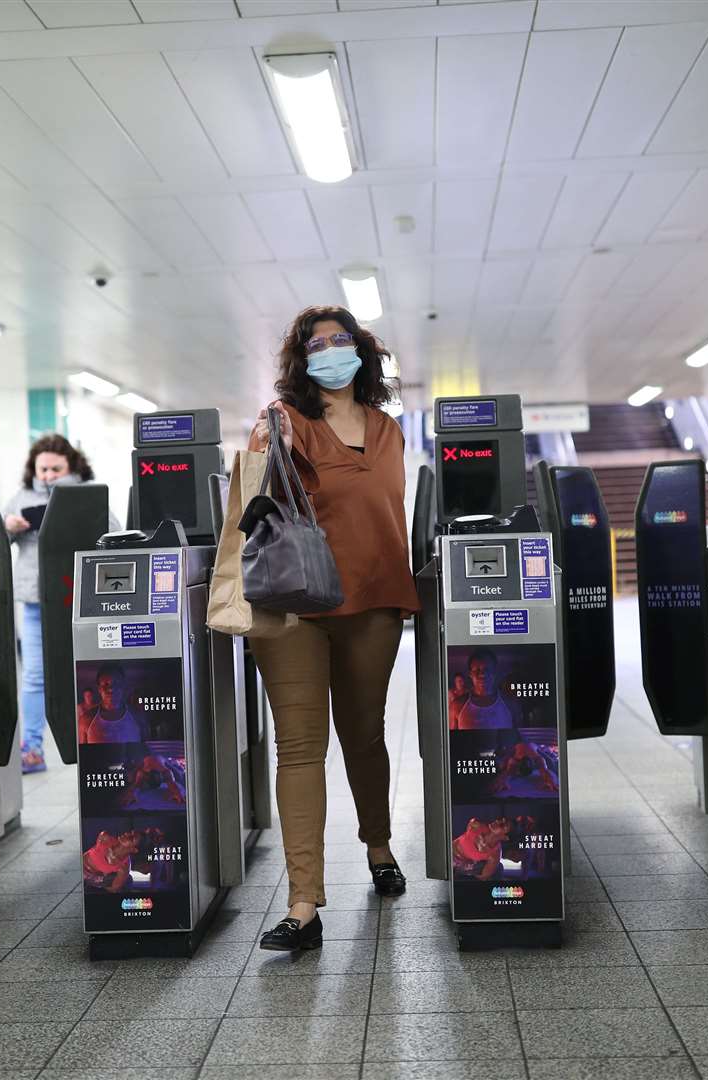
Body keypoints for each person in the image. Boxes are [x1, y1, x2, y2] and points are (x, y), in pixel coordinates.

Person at [248, 306, 421, 953]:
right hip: (291, 602)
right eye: (315, 344)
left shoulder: (388, 431)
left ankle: (378, 846)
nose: (329, 351)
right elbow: (254, 495)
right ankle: (303, 904)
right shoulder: (283, 421)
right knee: (299, 747)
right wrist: (269, 453)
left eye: (339, 340)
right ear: (301, 359)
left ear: (361, 351)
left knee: (364, 733)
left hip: (373, 601)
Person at [3, 434, 114, 773]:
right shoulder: (21, 497)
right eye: (43, 468)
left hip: (79, 601)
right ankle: (32, 748)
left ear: (71, 467)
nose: (48, 474)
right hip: (38, 602)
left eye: (56, 468)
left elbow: (113, 533)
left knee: (90, 675)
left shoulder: (87, 494)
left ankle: (100, 745)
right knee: (36, 675)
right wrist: (9, 526)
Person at [449, 649, 519, 730]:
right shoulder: (457, 706)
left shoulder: (511, 704)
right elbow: (451, 740)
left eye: (487, 669)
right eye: (477, 670)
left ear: (495, 672)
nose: (482, 674)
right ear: (470, 674)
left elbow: (519, 738)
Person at [78, 664, 147, 744]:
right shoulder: (86, 720)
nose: (111, 688)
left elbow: (146, 751)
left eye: (116, 682)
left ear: (123, 685)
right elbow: (82, 754)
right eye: (106, 684)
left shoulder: (138, 717)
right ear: (99, 689)